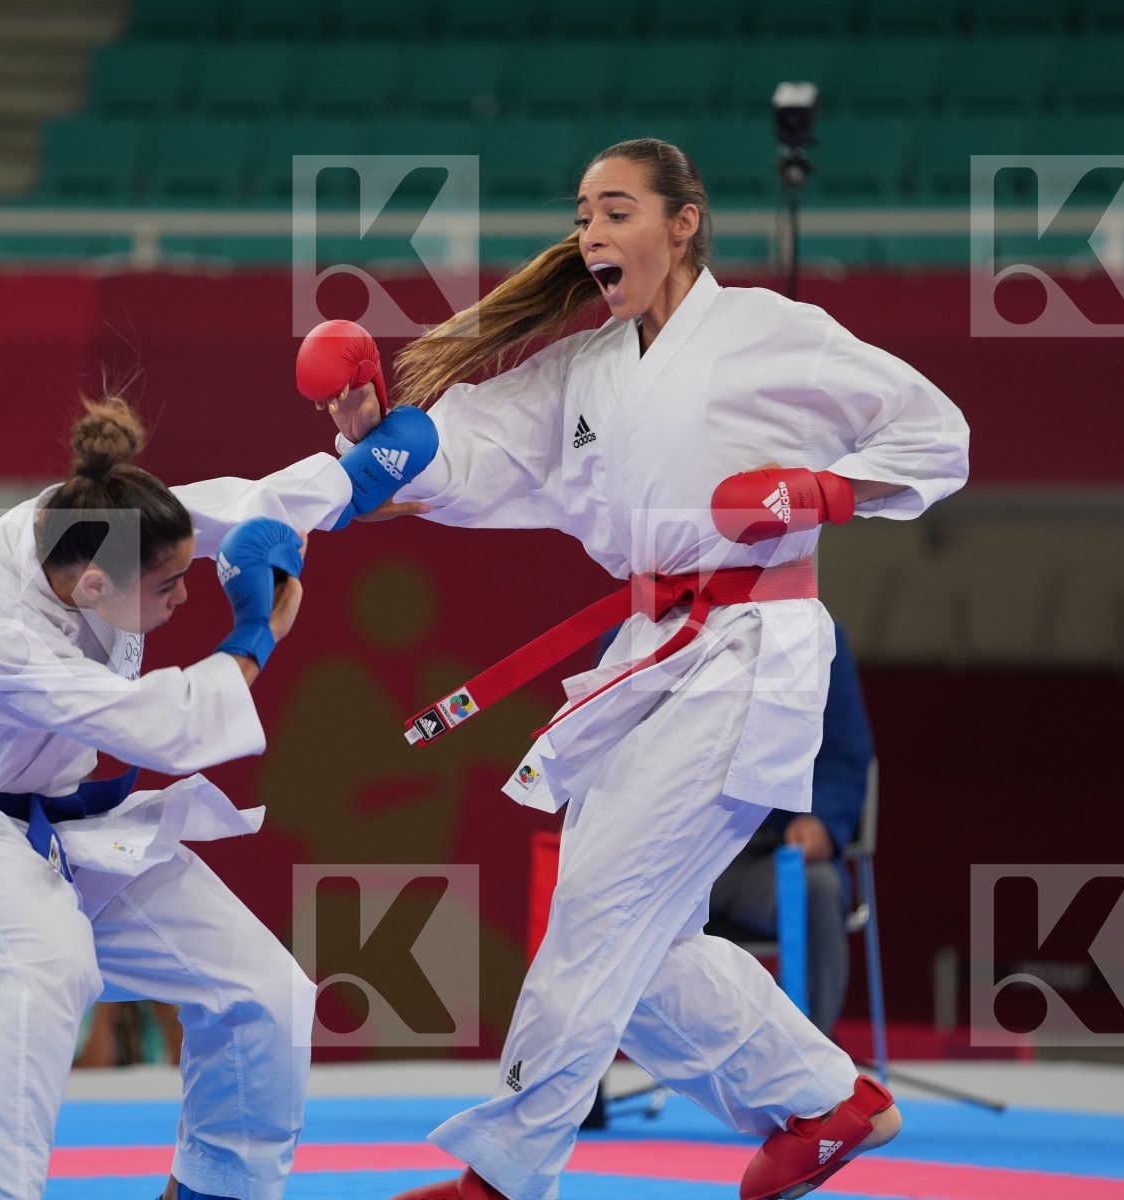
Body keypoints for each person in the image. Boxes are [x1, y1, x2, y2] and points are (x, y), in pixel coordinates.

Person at [308, 138, 967, 1200]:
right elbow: (467, 454)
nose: (593, 234)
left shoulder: (771, 334)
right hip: (650, 651)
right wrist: (376, 442)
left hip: (752, 647)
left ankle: (505, 1174)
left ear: (684, 222)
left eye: (616, 211)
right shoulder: (585, 370)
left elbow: (937, 437)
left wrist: (821, 493)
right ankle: (830, 1101)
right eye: (582, 216)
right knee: (638, 943)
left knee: (600, 909)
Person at [0, 392, 434, 1200]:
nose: (183, 594)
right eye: (169, 586)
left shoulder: (100, 524)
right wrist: (254, 638)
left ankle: (218, 1190)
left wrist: (358, 474)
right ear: (96, 586)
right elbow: (152, 725)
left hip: (70, 819)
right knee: (45, 973)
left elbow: (238, 510)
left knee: (263, 993)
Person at [708, 621, 873, 1039]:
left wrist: (821, 821)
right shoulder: (640, 631)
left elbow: (845, 753)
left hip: (764, 858)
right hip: (669, 856)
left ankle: (808, 1071)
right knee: (592, 887)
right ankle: (587, 1092)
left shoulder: (815, 637)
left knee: (816, 887)